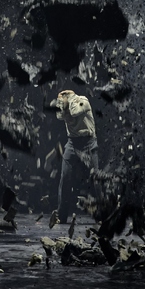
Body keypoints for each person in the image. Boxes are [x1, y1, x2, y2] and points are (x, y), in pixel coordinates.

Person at [54, 89, 98, 224]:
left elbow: (74, 112)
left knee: (95, 180)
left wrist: (71, 97)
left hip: (88, 143)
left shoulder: (83, 101)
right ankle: (61, 216)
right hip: (72, 143)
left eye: (63, 99)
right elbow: (59, 116)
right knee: (65, 178)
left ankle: (101, 215)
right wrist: (59, 101)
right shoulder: (64, 106)